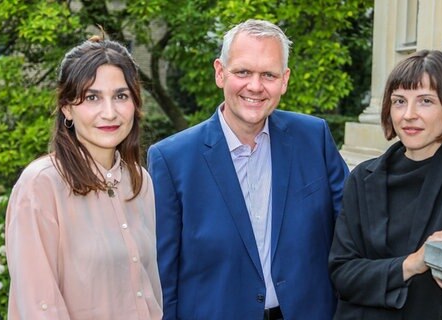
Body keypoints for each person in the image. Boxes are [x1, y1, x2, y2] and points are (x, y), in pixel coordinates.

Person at [148, 19, 349, 320]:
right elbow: (164, 276)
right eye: (243, 72)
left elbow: (355, 228)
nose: (255, 86)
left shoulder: (314, 138)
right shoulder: (171, 159)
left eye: (268, 74)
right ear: (220, 73)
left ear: (284, 80)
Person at [328, 50, 442, 319]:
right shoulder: (363, 177)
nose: (408, 114)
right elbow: (343, 274)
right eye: (399, 101)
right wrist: (412, 263)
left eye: (425, 101)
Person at [5, 35, 163, 319]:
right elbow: (39, 306)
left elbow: (150, 289)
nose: (110, 112)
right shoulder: (41, 185)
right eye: (92, 97)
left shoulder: (140, 182)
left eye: (120, 96)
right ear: (67, 107)